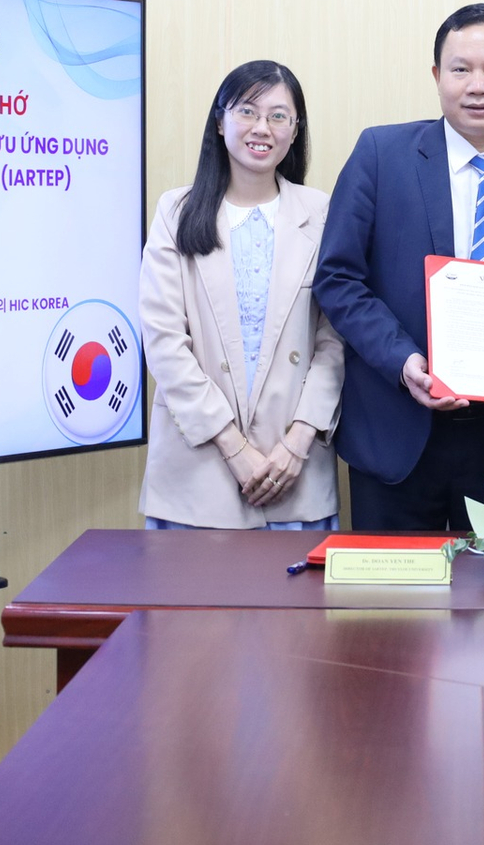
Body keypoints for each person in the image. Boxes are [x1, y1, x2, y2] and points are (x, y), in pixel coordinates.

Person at [314, 4, 484, 530]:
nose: (477, 85)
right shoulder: (381, 153)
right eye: (461, 69)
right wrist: (402, 360)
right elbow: (338, 277)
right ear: (437, 75)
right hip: (398, 428)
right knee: (397, 585)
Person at [137, 60, 344, 530]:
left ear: (295, 130)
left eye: (278, 116)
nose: (261, 128)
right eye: (247, 111)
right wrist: (233, 447)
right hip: (199, 468)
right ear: (220, 121)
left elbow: (335, 341)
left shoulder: (321, 213)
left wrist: (298, 442)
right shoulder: (176, 212)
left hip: (294, 470)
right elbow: (164, 341)